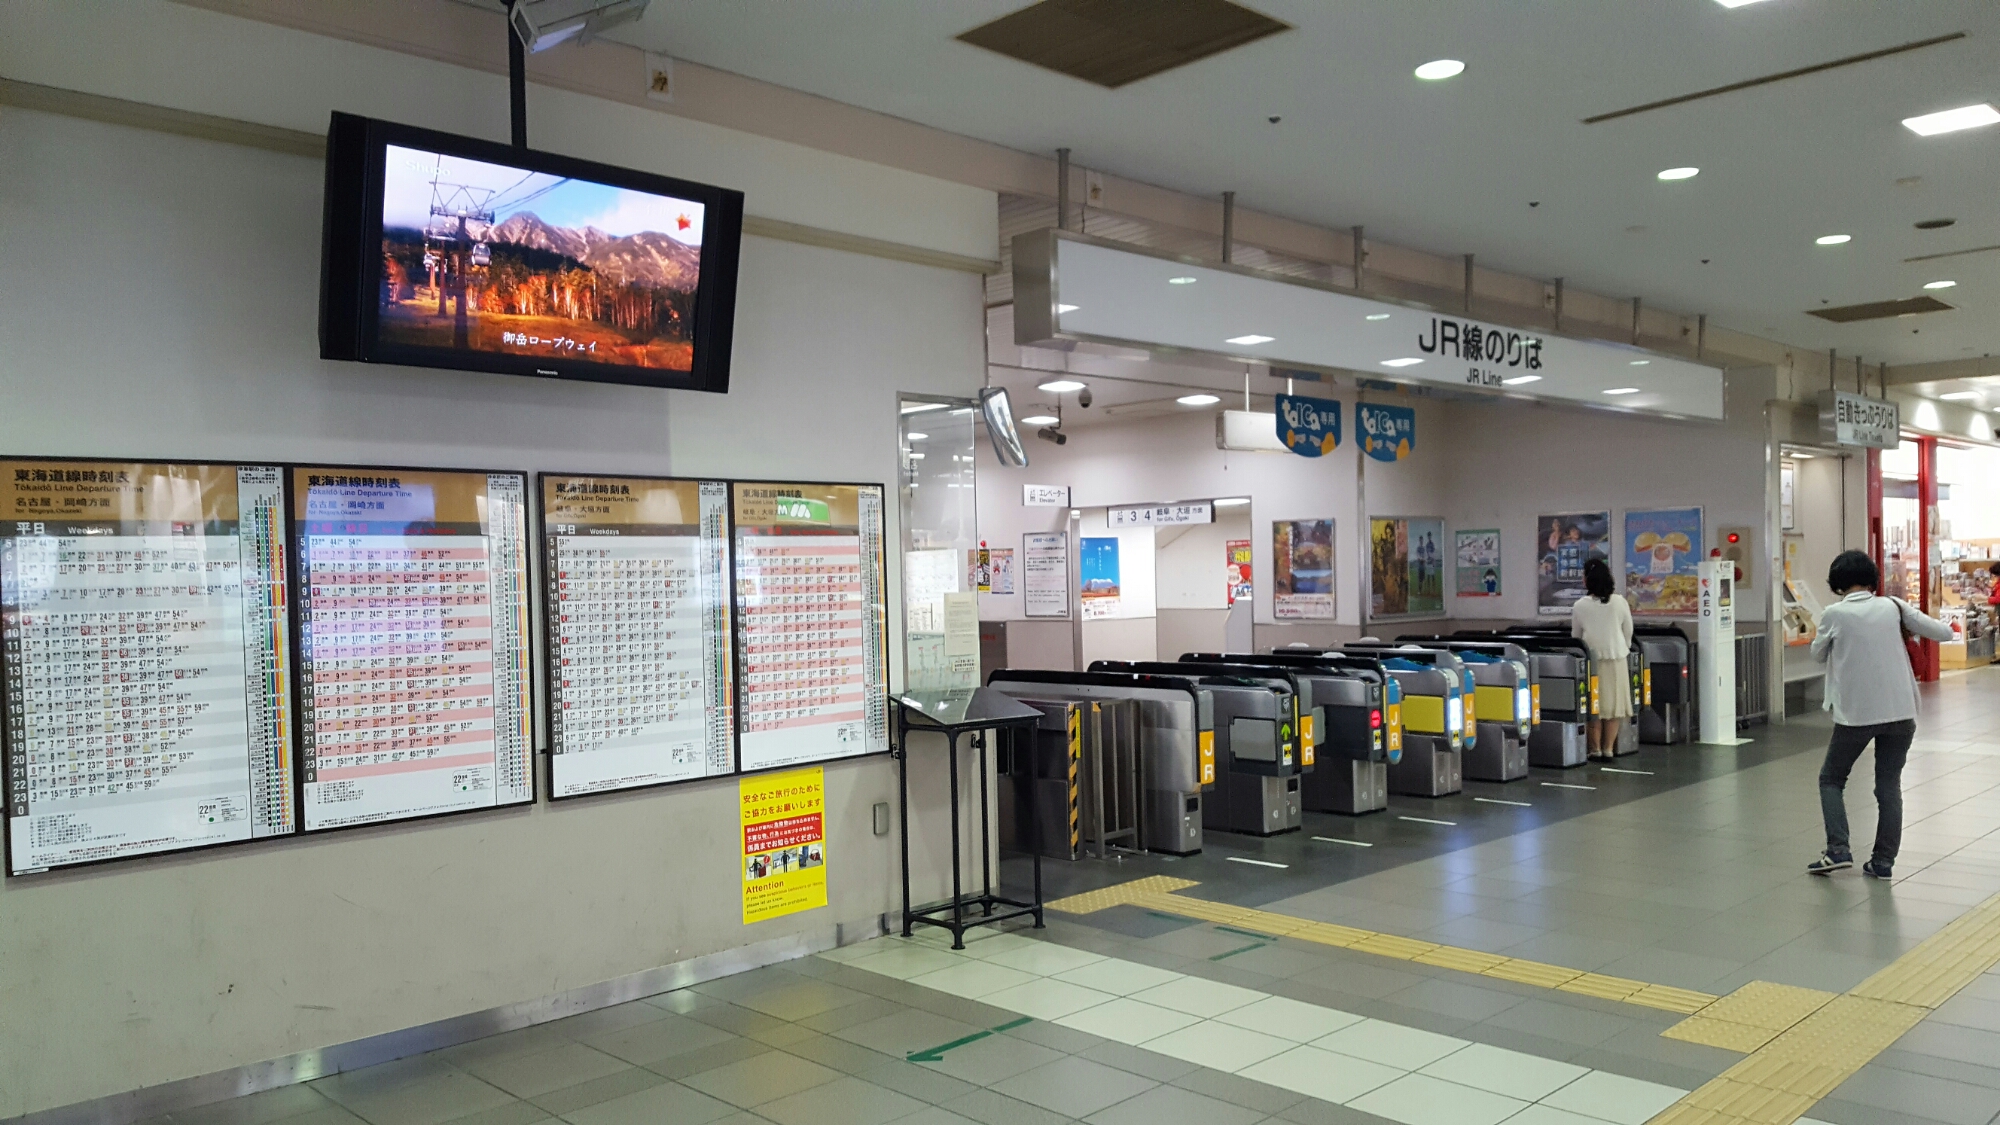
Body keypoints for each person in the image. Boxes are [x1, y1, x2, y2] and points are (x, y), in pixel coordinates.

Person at [1808, 549, 1954, 878]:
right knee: (1888, 786)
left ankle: (1838, 849)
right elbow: (1942, 633)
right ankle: (1883, 862)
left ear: (1837, 583)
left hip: (1856, 715)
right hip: (1901, 713)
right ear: (1872, 578)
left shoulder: (1835, 614)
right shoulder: (1893, 607)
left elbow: (1817, 655)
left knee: (1831, 779)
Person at [1570, 558, 1633, 759]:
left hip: (1591, 661)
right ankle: (1608, 749)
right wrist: (1623, 647)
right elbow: (1628, 631)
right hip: (1617, 659)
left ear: (1588, 580)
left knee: (1593, 706)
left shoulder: (1580, 606)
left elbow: (1575, 637)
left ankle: (1594, 749)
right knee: (1614, 707)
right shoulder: (1620, 602)